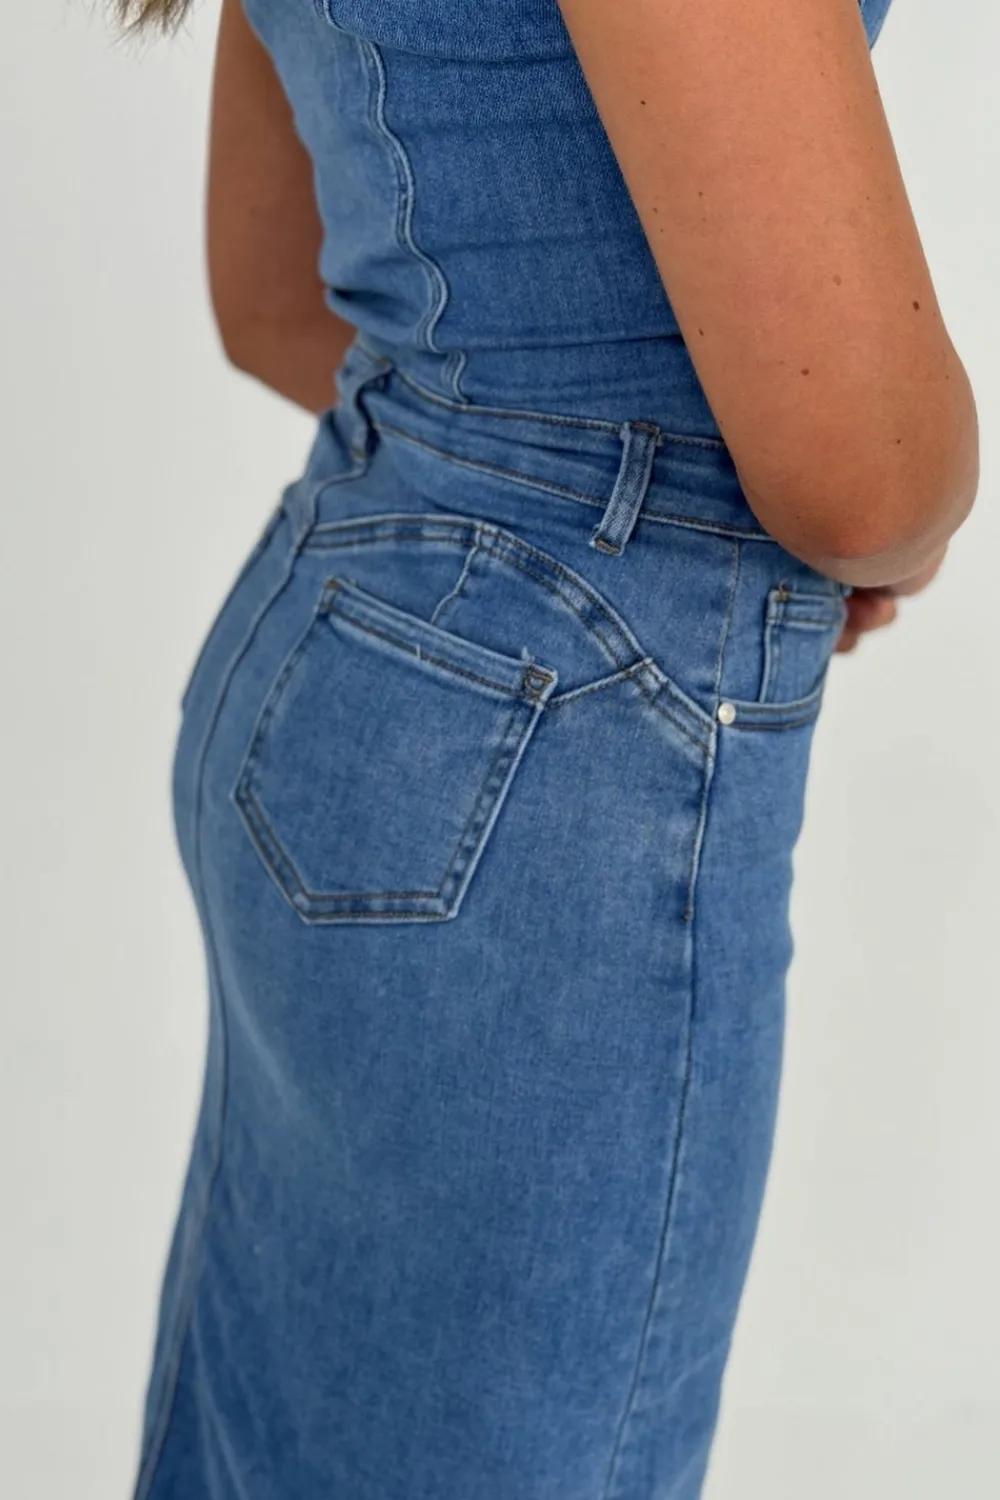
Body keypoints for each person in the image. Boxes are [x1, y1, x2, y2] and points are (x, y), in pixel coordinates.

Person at [119, 1, 979, 1497]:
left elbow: (270, 295)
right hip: (550, 761)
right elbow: (860, 470)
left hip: (343, 646)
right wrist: (860, 526)